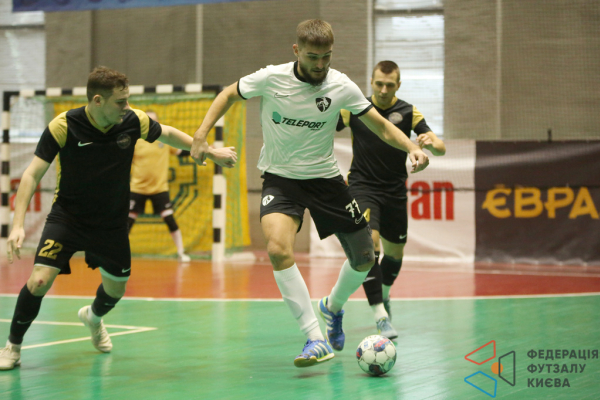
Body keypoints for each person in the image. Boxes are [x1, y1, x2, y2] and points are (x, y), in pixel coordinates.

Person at [190, 20, 429, 368]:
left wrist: (412, 147)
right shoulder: (271, 77)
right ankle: (314, 337)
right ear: (296, 51)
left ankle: (332, 306)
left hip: (326, 180)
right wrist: (201, 134)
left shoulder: (340, 85)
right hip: (280, 179)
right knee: (277, 249)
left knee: (365, 259)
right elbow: (228, 93)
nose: (320, 64)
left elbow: (380, 124)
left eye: (326, 57)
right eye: (313, 57)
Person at [0, 66, 237, 371]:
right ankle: (12, 347)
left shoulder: (132, 120)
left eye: (127, 100)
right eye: (120, 101)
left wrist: (210, 152)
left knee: (115, 290)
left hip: (111, 224)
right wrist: (17, 225)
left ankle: (93, 317)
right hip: (68, 219)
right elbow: (31, 175)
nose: (127, 106)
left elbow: (166, 133)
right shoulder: (63, 126)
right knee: (39, 280)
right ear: (97, 101)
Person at [337, 60, 446, 340]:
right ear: (371, 82)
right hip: (363, 186)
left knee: (395, 255)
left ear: (398, 85)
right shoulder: (354, 108)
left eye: (389, 85)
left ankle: (383, 295)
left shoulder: (409, 112)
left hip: (395, 191)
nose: (383, 90)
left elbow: (440, 147)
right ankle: (380, 316)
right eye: (379, 84)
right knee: (370, 246)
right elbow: (322, 123)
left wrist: (432, 144)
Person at [128, 110, 192, 262]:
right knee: (127, 222)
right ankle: (116, 252)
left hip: (159, 188)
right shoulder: (135, 141)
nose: (151, 123)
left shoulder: (164, 140)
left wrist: (201, 149)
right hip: (137, 188)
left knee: (169, 219)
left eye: (154, 120)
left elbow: (180, 152)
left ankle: (181, 252)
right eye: (148, 120)